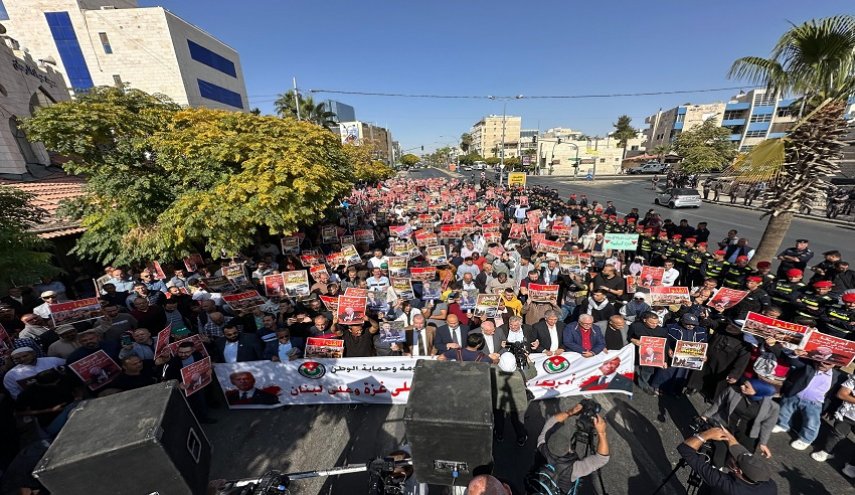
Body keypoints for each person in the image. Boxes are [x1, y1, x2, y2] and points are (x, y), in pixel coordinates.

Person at [530, 403, 610, 494]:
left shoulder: (541, 446)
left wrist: (570, 412)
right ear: (569, 448)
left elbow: (551, 422)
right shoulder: (573, 469)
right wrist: (602, 432)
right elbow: (602, 458)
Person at [678, 427, 777, 494]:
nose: (733, 456)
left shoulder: (727, 485)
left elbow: (685, 449)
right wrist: (727, 436)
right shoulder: (770, 486)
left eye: (735, 459)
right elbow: (739, 449)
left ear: (738, 470)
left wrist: (706, 435)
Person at [701, 379, 780, 464]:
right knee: (720, 451)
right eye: (743, 384)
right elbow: (718, 404)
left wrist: (763, 443)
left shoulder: (772, 407)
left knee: (742, 458)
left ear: (758, 391)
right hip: (725, 425)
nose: (742, 386)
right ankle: (715, 468)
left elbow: (767, 426)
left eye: (747, 387)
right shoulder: (733, 391)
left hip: (747, 433)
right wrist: (705, 416)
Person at [811, 372, 855, 463]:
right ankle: (827, 451)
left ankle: (852, 465)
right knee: (836, 434)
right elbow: (841, 394)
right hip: (847, 415)